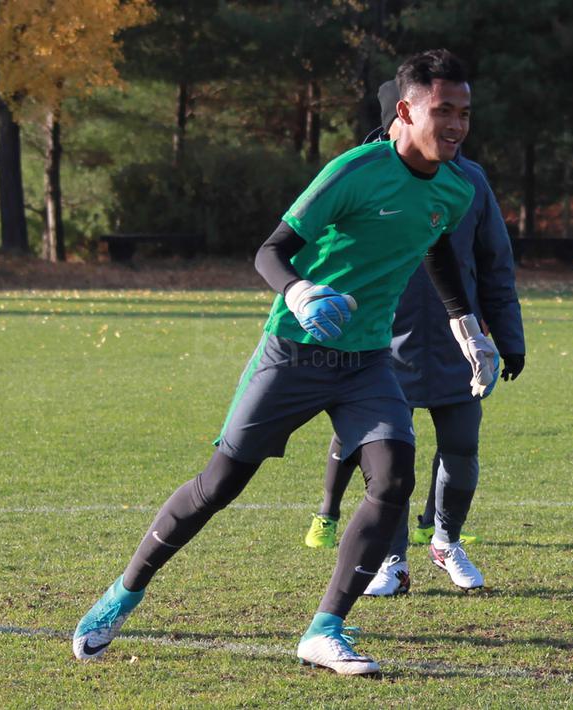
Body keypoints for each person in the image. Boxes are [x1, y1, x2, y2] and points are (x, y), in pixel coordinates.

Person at [71, 49, 492, 677]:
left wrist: (466, 323)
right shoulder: (353, 172)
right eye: (443, 111)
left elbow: (433, 248)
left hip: (368, 362)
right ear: (405, 110)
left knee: (394, 478)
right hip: (293, 352)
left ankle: (325, 630)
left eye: (464, 112)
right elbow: (271, 251)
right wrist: (299, 292)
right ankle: (123, 592)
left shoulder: (458, 187)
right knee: (219, 485)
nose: (456, 124)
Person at [303, 80, 525, 596]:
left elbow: (495, 263)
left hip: (460, 344)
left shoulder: (469, 180)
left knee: (462, 449)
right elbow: (329, 255)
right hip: (380, 344)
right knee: (390, 457)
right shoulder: (361, 175)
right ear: (400, 117)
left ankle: (446, 542)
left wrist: (509, 337)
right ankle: (392, 560)